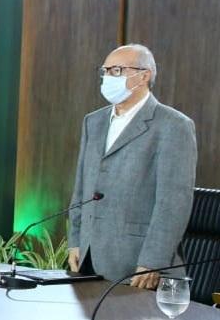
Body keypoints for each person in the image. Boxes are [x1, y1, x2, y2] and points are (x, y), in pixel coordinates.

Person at [68, 44, 197, 289]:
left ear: (144, 76)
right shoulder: (93, 122)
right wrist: (75, 240)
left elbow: (173, 203)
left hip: (138, 265)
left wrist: (153, 262)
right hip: (87, 258)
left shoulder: (173, 125)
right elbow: (81, 188)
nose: (108, 78)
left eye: (116, 70)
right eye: (105, 71)